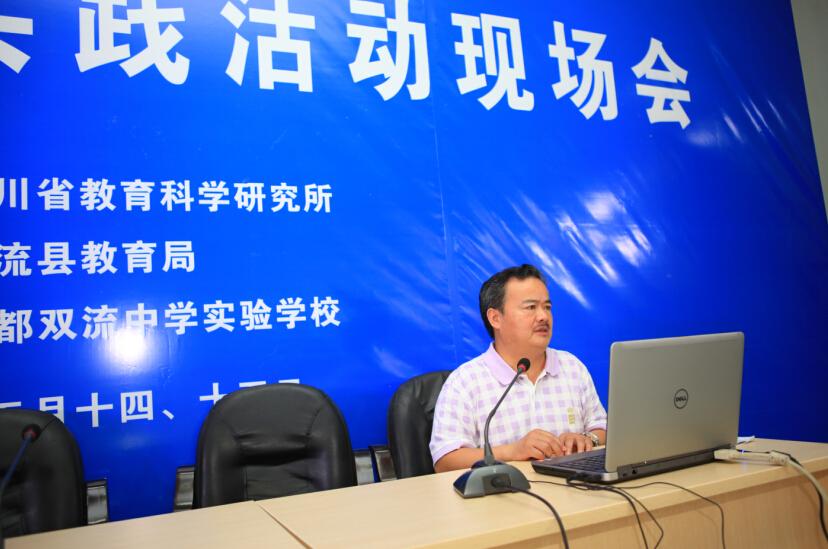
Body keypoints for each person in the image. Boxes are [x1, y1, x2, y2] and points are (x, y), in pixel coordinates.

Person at [430, 264, 607, 473]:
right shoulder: (465, 381)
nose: (543, 316)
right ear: (495, 318)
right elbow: (445, 460)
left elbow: (603, 427)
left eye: (547, 307)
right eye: (531, 307)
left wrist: (588, 439)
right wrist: (512, 451)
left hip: (575, 489)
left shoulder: (572, 367)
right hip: (504, 492)